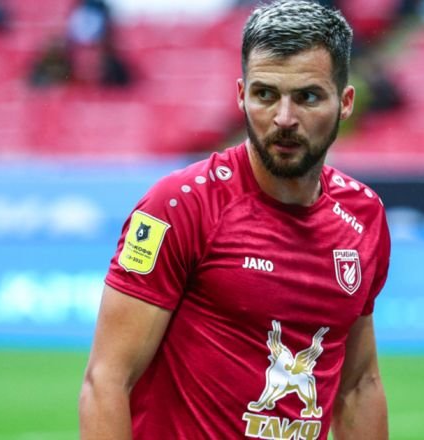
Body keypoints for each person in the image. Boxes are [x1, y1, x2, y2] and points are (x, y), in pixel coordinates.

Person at [79, 1, 392, 439]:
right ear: (241, 95)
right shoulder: (180, 206)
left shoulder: (363, 215)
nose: (284, 119)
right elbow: (107, 380)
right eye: (266, 95)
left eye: (307, 97)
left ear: (345, 102)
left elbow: (358, 386)